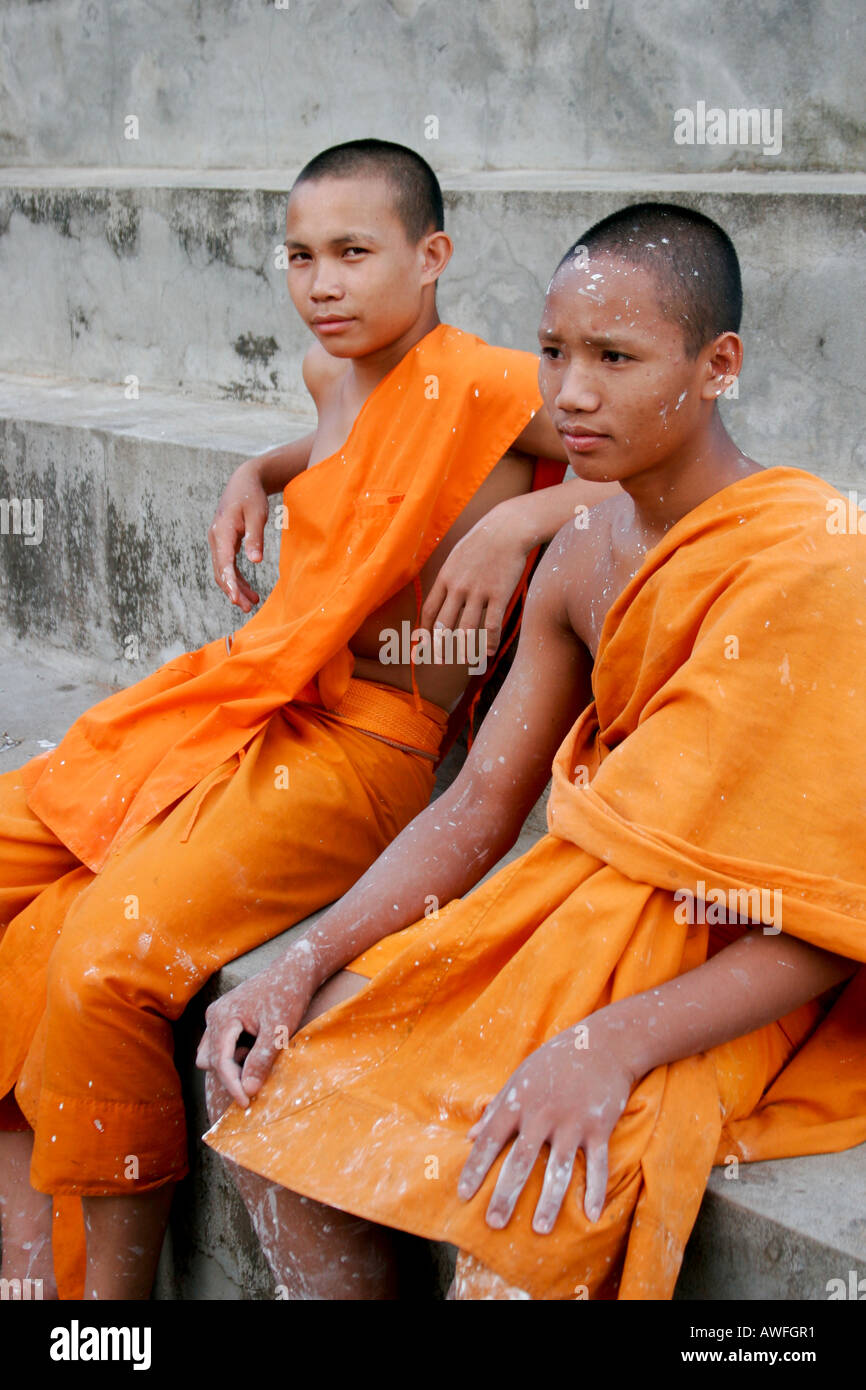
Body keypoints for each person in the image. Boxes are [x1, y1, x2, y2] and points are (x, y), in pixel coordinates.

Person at [201, 201, 866, 1301]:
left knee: (524, 1231)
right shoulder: (578, 558)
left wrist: (609, 1045)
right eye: (553, 352)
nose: (570, 393)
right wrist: (300, 963)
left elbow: (824, 909)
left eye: (615, 357)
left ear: (717, 365)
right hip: (571, 917)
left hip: (734, 963)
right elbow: (473, 812)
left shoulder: (816, 562)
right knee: (267, 1095)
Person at [0, 139, 614, 1300]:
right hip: (244, 699)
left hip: (363, 750)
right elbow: (338, 444)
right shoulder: (327, 375)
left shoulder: (487, 383)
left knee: (97, 955)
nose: (321, 283)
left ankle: (108, 1314)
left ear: (430, 258)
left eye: (352, 253)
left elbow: (652, 464)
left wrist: (521, 523)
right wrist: (260, 470)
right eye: (299, 256)